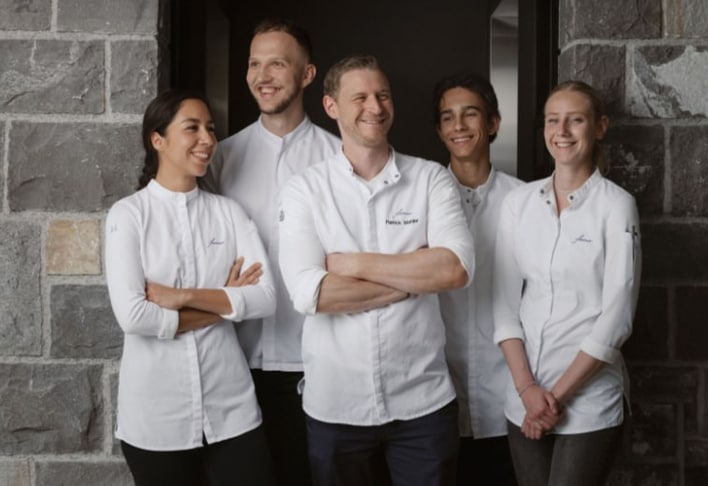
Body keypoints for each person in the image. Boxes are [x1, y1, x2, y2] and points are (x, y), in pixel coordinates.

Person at [277, 55, 475, 486]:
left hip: (423, 402)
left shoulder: (430, 179)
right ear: (331, 106)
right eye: (360, 97)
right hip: (336, 407)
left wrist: (353, 264)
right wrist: (412, 279)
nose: (375, 107)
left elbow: (455, 270)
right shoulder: (305, 190)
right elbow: (312, 294)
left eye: (383, 95)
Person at [105, 89, 276, 486]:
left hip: (232, 410)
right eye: (192, 128)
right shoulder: (128, 216)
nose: (207, 139)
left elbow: (266, 298)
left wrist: (182, 298)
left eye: (211, 129)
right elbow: (134, 316)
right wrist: (224, 303)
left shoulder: (229, 212)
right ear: (158, 139)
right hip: (155, 417)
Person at [204, 18, 339, 486]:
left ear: (307, 75)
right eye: (254, 64)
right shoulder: (218, 158)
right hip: (235, 361)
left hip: (316, 362)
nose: (262, 76)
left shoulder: (340, 159)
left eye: (277, 64)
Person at [493, 80, 641, 486]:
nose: (562, 131)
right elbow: (503, 306)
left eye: (575, 120)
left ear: (600, 127)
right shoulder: (518, 204)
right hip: (524, 397)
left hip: (588, 401)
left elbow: (617, 319)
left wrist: (553, 399)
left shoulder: (616, 206)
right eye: (552, 120)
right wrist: (528, 391)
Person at [433, 72, 522, 486]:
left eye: (470, 114)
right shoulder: (421, 198)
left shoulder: (525, 200)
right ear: (439, 131)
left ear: (493, 123)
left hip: (509, 392)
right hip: (437, 395)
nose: (459, 126)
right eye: (447, 117)